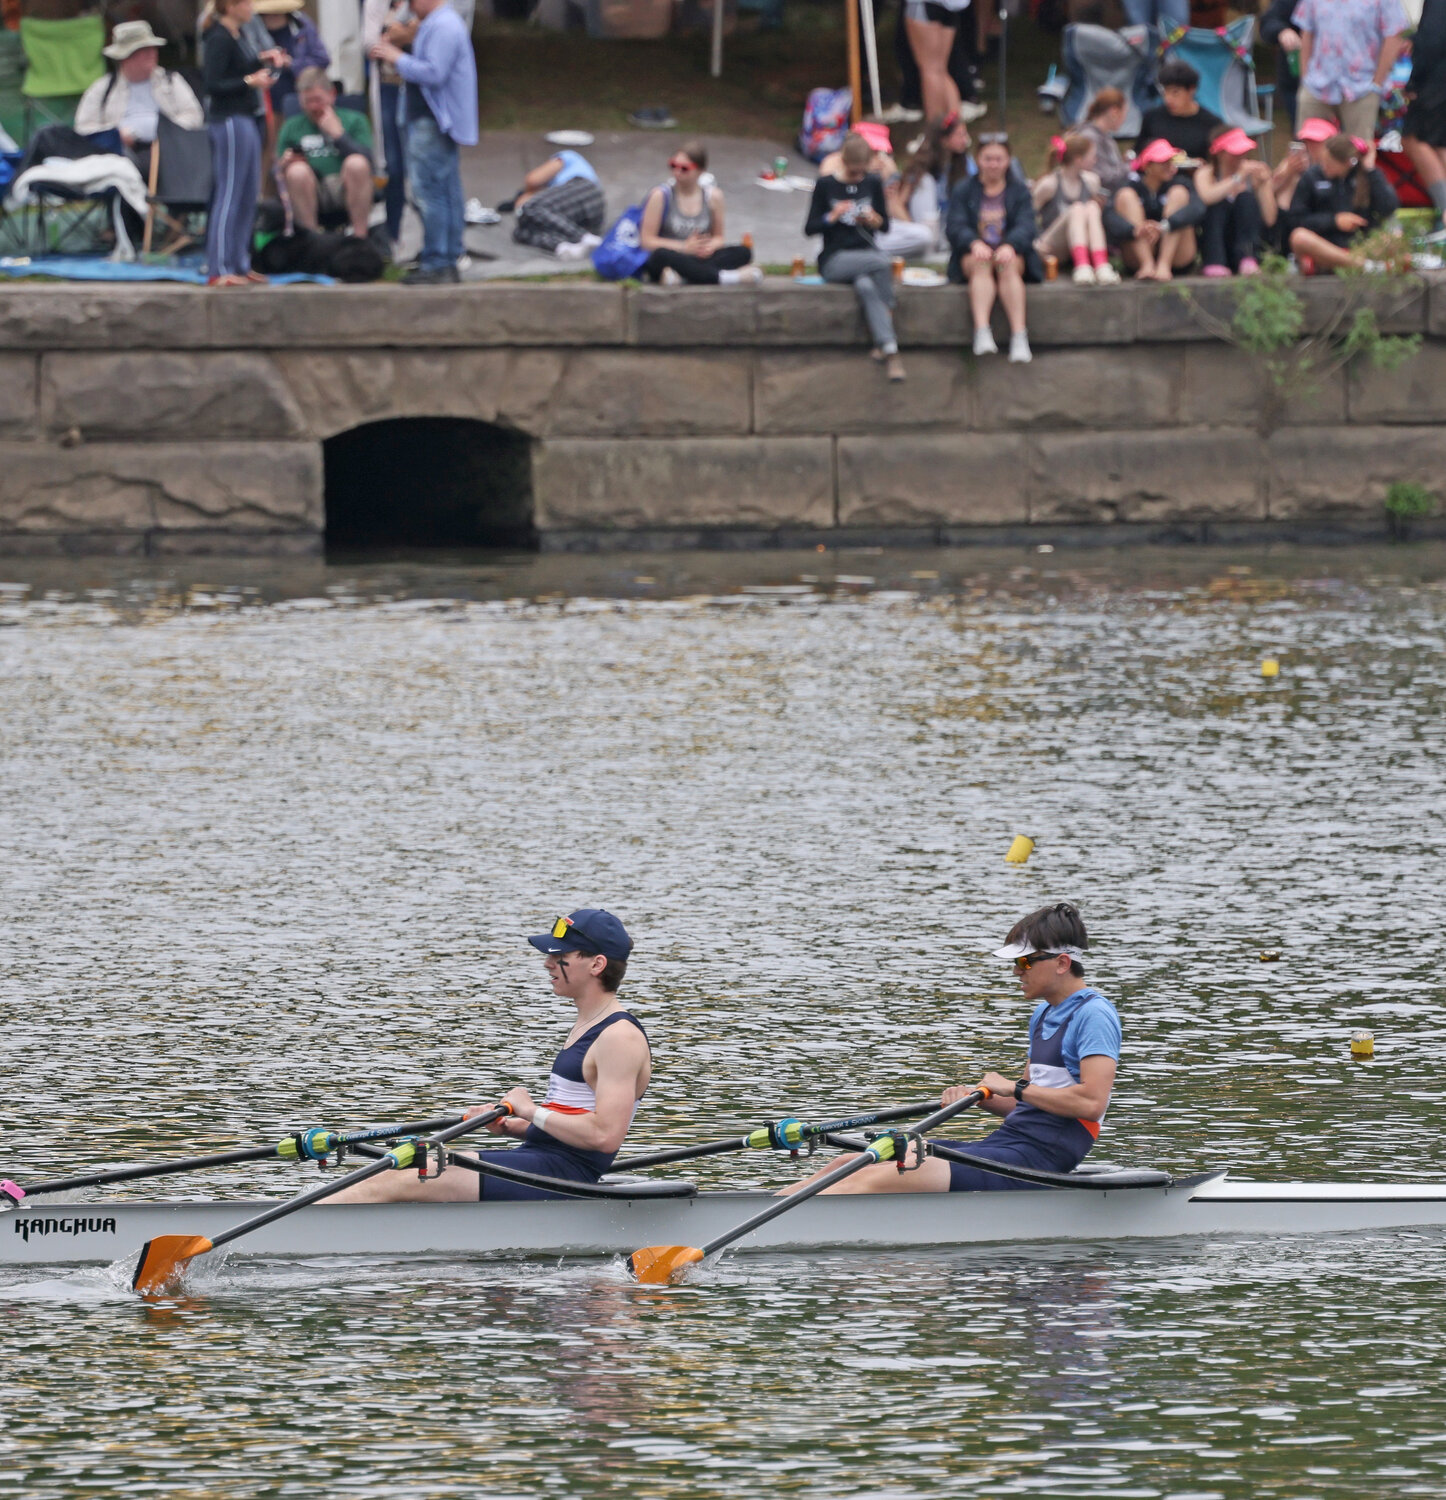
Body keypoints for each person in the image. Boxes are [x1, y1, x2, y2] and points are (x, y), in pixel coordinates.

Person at [783, 903, 1120, 1199]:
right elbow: (1028, 1104)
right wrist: (983, 1098)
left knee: (875, 1176)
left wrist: (1014, 1087)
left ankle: (767, 1232)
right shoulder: (1043, 1014)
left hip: (1040, 1158)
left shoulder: (1094, 1015)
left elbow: (1091, 1105)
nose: (1016, 971)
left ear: (1061, 963)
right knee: (849, 1161)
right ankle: (750, 1209)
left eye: (1025, 962)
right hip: (1009, 1143)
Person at [327, 911, 652, 1205]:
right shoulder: (590, 1025)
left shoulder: (619, 1037)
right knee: (412, 1165)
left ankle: (294, 1233)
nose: (547, 963)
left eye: (561, 955)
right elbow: (576, 1120)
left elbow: (604, 1136)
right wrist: (514, 1126)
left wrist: (530, 1110)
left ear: (596, 964)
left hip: (565, 1176)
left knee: (408, 1173)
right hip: (541, 1159)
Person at [368, 0, 477, 286]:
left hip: (431, 122)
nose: (411, 7)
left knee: (430, 193)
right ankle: (448, 255)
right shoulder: (441, 22)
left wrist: (395, 57)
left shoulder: (442, 25)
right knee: (447, 189)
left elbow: (433, 73)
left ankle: (438, 261)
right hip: (433, 120)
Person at [805, 132, 905, 381]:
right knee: (883, 261)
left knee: (866, 287)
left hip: (864, 256)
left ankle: (888, 349)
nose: (858, 177)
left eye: (862, 171)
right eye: (853, 172)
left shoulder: (872, 183)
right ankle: (889, 311)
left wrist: (873, 219)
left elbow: (884, 227)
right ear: (842, 162)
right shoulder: (826, 185)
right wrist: (833, 216)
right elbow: (809, 228)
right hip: (835, 259)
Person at [946, 134, 1039, 362]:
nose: (993, 164)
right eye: (988, 159)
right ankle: (982, 330)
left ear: (1008, 161)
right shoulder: (963, 189)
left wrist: (1010, 245)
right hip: (975, 254)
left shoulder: (1019, 191)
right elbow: (954, 225)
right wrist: (973, 242)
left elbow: (1027, 226)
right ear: (978, 159)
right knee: (982, 264)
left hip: (1009, 254)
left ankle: (1019, 334)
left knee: (1006, 266)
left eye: (999, 159)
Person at [203, 0, 273, 285]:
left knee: (247, 193)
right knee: (230, 191)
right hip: (228, 120)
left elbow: (241, 67)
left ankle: (240, 262)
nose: (251, 7)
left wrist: (264, 61)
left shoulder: (240, 35)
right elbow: (213, 84)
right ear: (230, 6)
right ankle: (219, 266)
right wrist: (249, 81)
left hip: (247, 117)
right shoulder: (218, 37)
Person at [75, 20, 203, 170]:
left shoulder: (171, 81)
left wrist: (167, 132)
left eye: (153, 48)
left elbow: (194, 115)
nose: (152, 53)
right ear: (126, 58)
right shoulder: (102, 88)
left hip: (170, 151)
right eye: (144, 50)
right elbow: (83, 128)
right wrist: (116, 135)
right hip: (120, 155)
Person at [638, 141, 760, 285]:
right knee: (660, 256)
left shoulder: (713, 197)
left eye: (684, 168)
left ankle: (685, 277)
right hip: (673, 256)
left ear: (700, 171)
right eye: (673, 165)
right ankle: (727, 278)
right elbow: (647, 241)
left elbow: (719, 237)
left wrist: (709, 247)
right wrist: (684, 247)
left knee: (743, 252)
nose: (677, 172)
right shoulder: (660, 195)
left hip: (699, 257)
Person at [275, 69, 373, 239]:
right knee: (296, 171)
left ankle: (360, 239)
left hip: (345, 184)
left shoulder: (355, 120)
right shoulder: (291, 126)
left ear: (332, 94)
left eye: (318, 100)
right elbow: (275, 171)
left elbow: (368, 160)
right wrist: (284, 164)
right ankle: (311, 241)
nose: (313, 107)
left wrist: (339, 136)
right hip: (310, 187)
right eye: (308, 101)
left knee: (357, 163)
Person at [1292, 0, 1407, 141]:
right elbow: (1307, 32)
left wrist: (1377, 83)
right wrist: (1305, 78)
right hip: (1317, 84)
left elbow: (1394, 35)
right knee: (1307, 149)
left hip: (1362, 86)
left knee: (1358, 151)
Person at [1287, 130, 1398, 270]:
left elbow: (1388, 208)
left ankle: (1353, 263)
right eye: (1322, 161)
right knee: (1299, 237)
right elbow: (1295, 220)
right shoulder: (1312, 176)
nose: (1324, 167)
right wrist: (1334, 221)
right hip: (1324, 248)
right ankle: (1363, 266)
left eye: (1329, 163)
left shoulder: (1368, 175)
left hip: (1360, 245)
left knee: (1394, 237)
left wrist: (1370, 169)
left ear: (1347, 163)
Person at [822, 122, 934, 260]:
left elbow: (895, 215)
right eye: (871, 151)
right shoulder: (832, 164)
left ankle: (864, 253)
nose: (876, 157)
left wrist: (886, 197)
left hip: (876, 230)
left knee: (924, 236)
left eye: (878, 151)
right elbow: (829, 208)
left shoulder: (886, 166)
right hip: (844, 229)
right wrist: (864, 173)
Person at [1107, 137, 1202, 279]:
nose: (1170, 166)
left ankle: (1164, 264)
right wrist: (1135, 230)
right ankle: (1147, 264)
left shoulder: (1182, 183)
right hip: (1138, 255)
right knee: (1126, 196)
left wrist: (1165, 226)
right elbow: (1108, 215)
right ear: (1147, 166)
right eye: (1163, 162)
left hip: (1179, 255)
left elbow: (1198, 208)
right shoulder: (1129, 184)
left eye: (1171, 161)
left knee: (1179, 194)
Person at [1032, 132, 1118, 284]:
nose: (1095, 160)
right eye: (1092, 156)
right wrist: (1033, 242)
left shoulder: (1091, 181)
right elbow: (1026, 215)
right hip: (1051, 245)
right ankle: (1082, 267)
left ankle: (1101, 265)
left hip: (1080, 244)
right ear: (1079, 160)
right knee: (1077, 208)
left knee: (1091, 207)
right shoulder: (1049, 184)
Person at [1194, 125, 1277, 275]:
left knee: (1245, 199)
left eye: (1243, 152)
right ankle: (1215, 261)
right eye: (1234, 152)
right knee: (1217, 204)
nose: (1240, 156)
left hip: (1247, 238)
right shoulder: (1206, 173)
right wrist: (1237, 177)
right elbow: (1207, 197)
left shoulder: (1254, 173)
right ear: (1220, 153)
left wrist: (1264, 186)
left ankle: (1248, 258)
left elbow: (1270, 219)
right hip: (1217, 238)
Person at [507, 146, 606, 259]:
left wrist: (529, 192)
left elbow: (533, 179)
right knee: (520, 232)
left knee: (531, 206)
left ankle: (584, 238)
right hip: (577, 221)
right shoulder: (551, 203)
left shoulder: (568, 157)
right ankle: (566, 248)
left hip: (584, 190)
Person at [1401, 0, 1446, 235]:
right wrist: (1415, 40)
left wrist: (1414, 80)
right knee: (1439, 143)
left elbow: (1434, 38)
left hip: (1436, 81)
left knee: (1414, 138)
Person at [252, 0, 329, 116]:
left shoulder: (301, 24)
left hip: (297, 99)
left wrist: (292, 63)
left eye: (277, 12)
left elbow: (322, 59)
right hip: (261, 102)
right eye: (267, 13)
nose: (272, 16)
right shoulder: (250, 26)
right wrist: (261, 59)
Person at [1136, 60, 1223, 161]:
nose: (1168, 99)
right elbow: (1140, 152)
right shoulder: (1152, 118)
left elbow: (1216, 161)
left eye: (1175, 93)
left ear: (1191, 90)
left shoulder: (1212, 123)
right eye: (1165, 92)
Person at [904, 0, 970, 124]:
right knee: (940, 70)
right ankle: (958, 132)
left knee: (930, 70)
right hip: (951, 7)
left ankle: (935, 134)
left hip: (926, 5)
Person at [1074, 88, 1131, 197]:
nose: (1124, 120)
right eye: (1124, 114)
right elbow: (1102, 177)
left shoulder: (1107, 138)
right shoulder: (1090, 138)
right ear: (1114, 112)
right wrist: (1131, 166)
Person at [1261, 0, 1304, 127]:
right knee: (1303, 136)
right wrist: (1282, 31)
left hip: (1349, 86)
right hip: (1296, 82)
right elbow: (1268, 23)